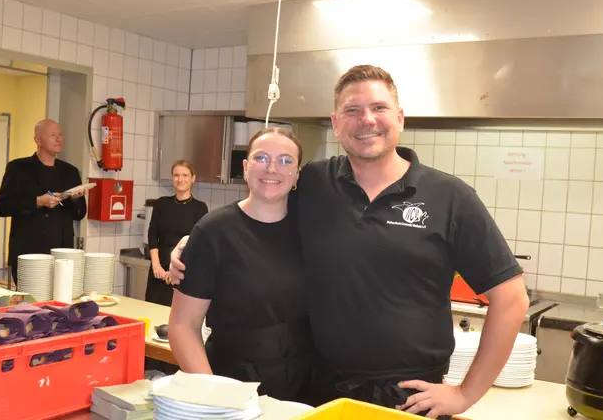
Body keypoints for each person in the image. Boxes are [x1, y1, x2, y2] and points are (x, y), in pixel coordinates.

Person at [168, 65, 529, 419]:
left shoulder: (449, 197)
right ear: (336, 122)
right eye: (352, 110)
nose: (366, 120)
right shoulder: (314, 183)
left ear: (400, 118)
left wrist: (465, 394)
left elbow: (511, 299)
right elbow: (261, 214)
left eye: (379, 107)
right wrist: (196, 243)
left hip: (409, 398)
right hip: (320, 390)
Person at [167, 127, 313, 403]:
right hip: (233, 382)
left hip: (305, 385)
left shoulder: (313, 228)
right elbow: (182, 326)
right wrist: (213, 397)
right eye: (261, 158)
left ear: (297, 174)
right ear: (246, 167)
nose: (272, 168)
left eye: (285, 161)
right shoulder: (214, 231)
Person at [0, 119, 87, 286]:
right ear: (38, 140)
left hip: (62, 255)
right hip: (29, 253)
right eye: (53, 135)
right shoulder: (19, 168)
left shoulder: (70, 171)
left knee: (62, 298)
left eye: (60, 134)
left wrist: (76, 199)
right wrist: (37, 202)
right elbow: (2, 206)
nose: (59, 139)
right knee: (32, 299)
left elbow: (79, 214)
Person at [145, 160, 208, 307]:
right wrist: (156, 266)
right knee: (152, 311)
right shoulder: (161, 204)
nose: (180, 179)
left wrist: (174, 270)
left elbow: (198, 243)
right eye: (176, 175)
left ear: (193, 178)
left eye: (185, 175)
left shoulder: (200, 208)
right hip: (158, 271)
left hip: (183, 271)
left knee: (176, 313)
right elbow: (152, 234)